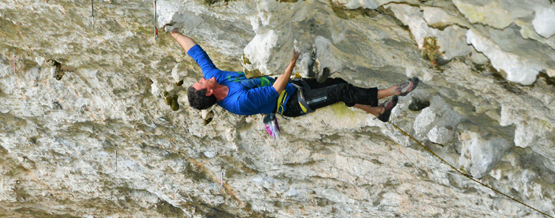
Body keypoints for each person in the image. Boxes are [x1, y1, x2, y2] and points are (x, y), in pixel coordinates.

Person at [169, 28, 419, 123]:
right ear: (209, 92)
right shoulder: (237, 102)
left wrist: (175, 34)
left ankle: (378, 112)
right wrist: (292, 60)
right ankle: (394, 91)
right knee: (339, 92)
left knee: (339, 85)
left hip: (292, 87)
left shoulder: (216, 78)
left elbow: (196, 53)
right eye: (201, 82)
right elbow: (273, 91)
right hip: (292, 103)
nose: (203, 77)